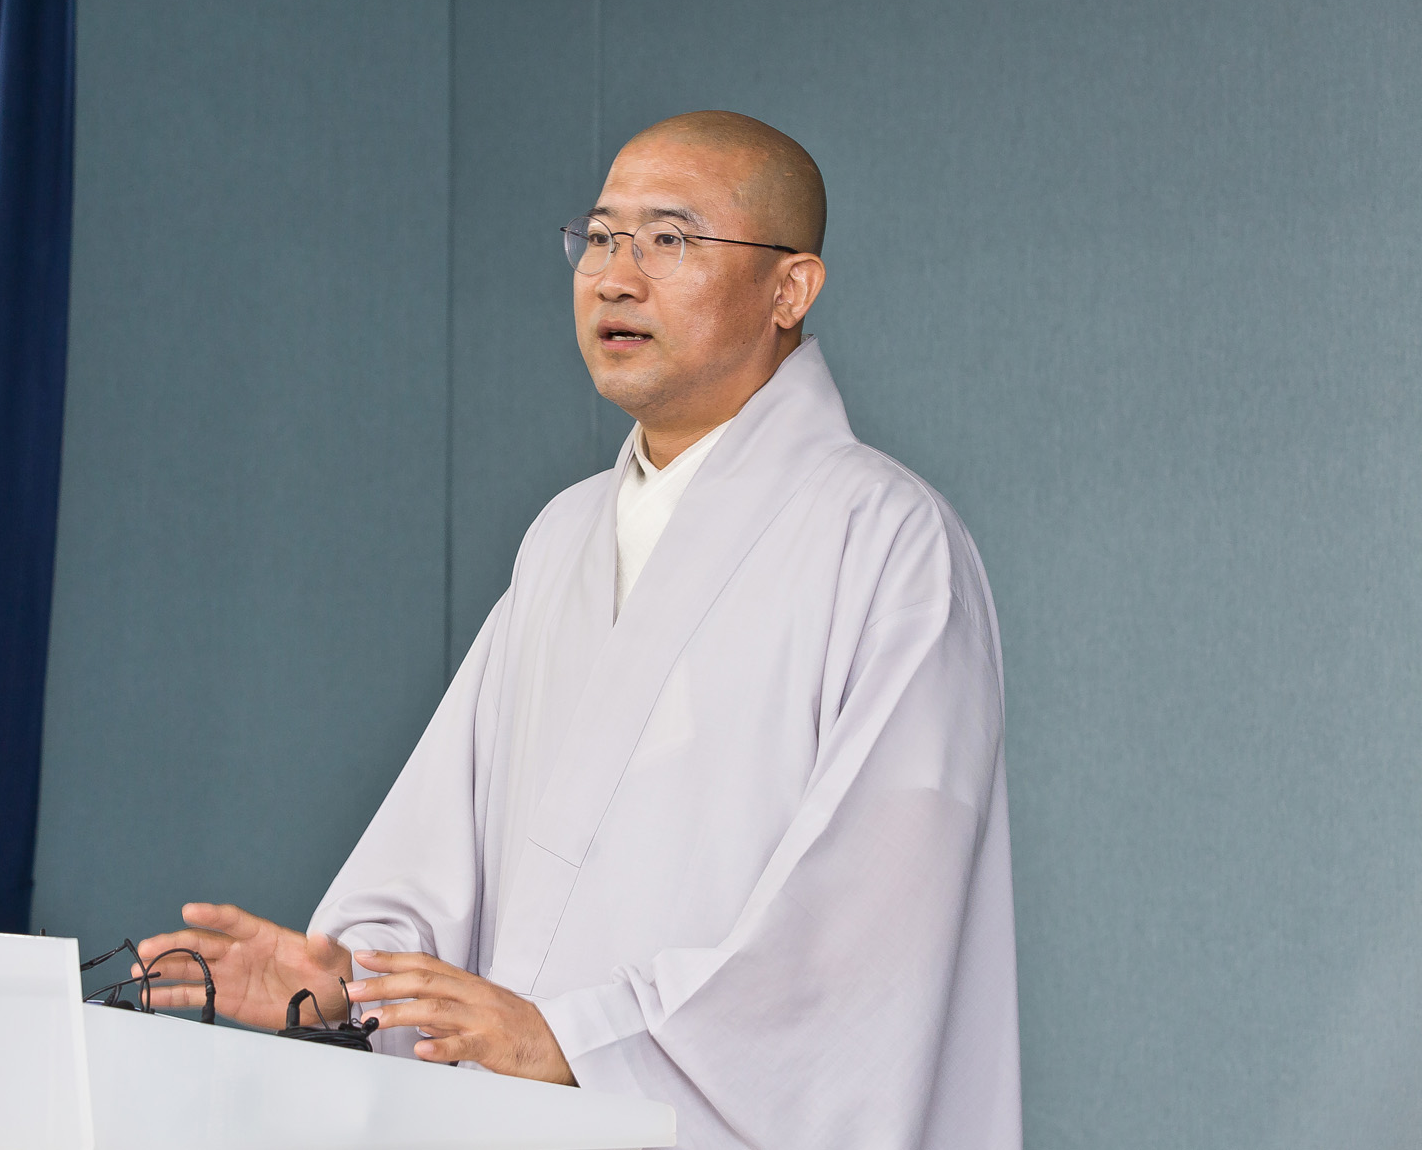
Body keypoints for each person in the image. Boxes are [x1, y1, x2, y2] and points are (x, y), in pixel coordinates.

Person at [138, 111, 1020, 1149]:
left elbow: (871, 927)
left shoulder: (882, 537)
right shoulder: (563, 535)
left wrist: (580, 1038)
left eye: (670, 239)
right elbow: (446, 827)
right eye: (598, 237)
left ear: (789, 289)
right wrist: (353, 973)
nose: (614, 276)